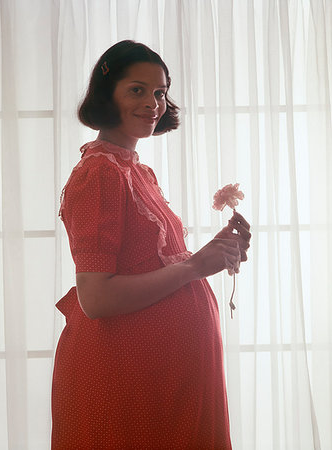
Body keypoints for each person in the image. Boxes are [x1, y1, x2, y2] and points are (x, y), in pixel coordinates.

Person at [51, 40, 251, 449]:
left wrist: (213, 252)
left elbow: (154, 264)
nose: (153, 103)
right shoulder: (100, 175)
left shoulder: (135, 170)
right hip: (127, 381)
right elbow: (97, 297)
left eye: (160, 92)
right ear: (107, 95)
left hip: (166, 379)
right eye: (137, 90)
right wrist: (195, 267)